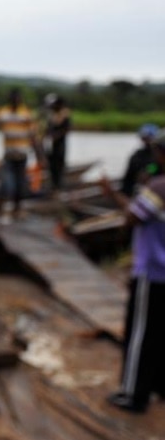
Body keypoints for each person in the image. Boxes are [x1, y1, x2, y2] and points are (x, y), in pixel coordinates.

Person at [105, 131, 165, 413]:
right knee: (161, 333)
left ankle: (133, 394)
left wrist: (111, 193)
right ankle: (157, 387)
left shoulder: (158, 187)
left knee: (140, 334)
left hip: (152, 271)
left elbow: (132, 217)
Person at [0, 89, 44, 218]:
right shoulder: (3, 113)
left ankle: (16, 210)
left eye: (18, 99)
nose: (16, 101)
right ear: (10, 100)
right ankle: (0, 209)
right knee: (6, 183)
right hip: (8, 155)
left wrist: (40, 156)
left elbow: (33, 136)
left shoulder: (26, 114)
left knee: (20, 183)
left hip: (22, 155)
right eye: (14, 99)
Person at [121, 124, 160, 197]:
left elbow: (156, 165)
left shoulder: (160, 154)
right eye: (145, 138)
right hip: (139, 189)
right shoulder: (137, 155)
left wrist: (149, 171)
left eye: (149, 138)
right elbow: (128, 177)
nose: (147, 141)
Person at [43, 94, 71, 193]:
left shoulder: (65, 114)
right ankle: (54, 187)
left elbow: (66, 129)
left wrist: (55, 136)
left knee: (59, 166)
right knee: (51, 166)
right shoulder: (52, 115)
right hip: (51, 145)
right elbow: (48, 129)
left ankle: (58, 187)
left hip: (60, 145)